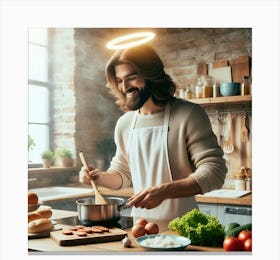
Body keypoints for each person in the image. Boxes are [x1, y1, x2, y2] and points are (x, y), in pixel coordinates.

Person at [79, 43, 227, 228]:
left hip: (183, 229)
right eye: (119, 80)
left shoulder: (188, 114)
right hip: (140, 228)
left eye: (131, 77)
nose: (125, 86)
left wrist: (164, 191)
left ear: (152, 75)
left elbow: (214, 171)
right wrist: (98, 177)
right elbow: (122, 174)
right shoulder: (125, 124)